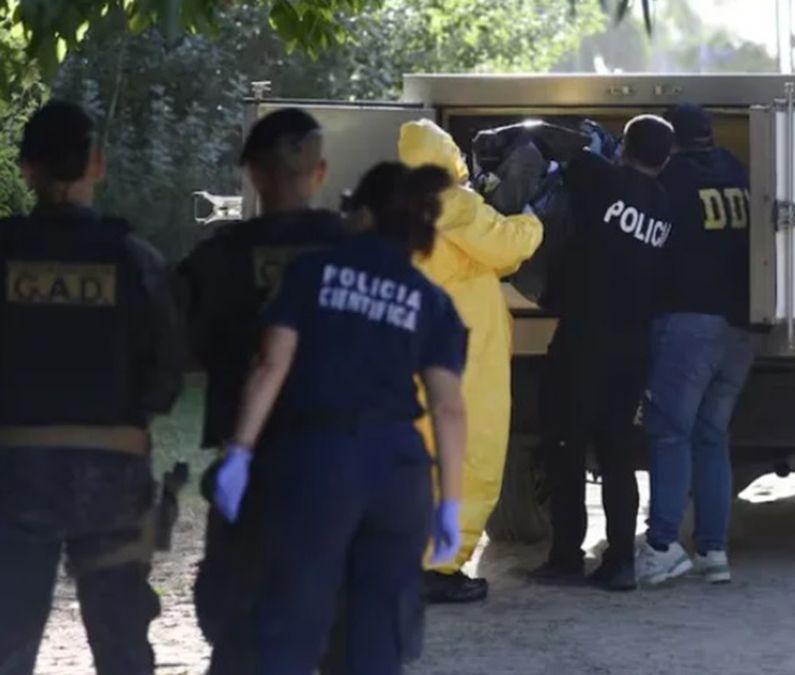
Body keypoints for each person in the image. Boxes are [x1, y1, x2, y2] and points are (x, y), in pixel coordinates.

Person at [210, 161, 468, 674]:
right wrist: (450, 504)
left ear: (364, 214)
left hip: (319, 459)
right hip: (399, 472)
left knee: (293, 619)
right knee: (380, 634)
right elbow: (448, 407)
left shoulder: (313, 273)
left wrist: (239, 452)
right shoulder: (432, 301)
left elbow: (271, 363)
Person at [0, 100, 184, 675]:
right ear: (96, 165)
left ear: (26, 168)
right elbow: (168, 375)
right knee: (122, 642)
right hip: (113, 474)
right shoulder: (135, 258)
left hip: (13, 472)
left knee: (6, 640)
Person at [178, 107, 348, 674]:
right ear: (319, 172)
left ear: (254, 174)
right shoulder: (361, 253)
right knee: (342, 623)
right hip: (343, 464)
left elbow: (178, 346)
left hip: (254, 467)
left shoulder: (219, 259)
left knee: (238, 623)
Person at [397, 119, 543, 604]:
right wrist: (535, 218)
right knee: (471, 454)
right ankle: (441, 567)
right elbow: (503, 248)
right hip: (464, 355)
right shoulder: (451, 202)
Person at [528, 115, 676, 591]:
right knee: (616, 452)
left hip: (584, 338)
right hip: (634, 346)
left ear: (625, 148)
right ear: (667, 158)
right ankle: (619, 562)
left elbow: (548, 140)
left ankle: (567, 555)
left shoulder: (601, 177)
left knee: (566, 445)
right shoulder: (665, 205)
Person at [636, 104, 758, 587]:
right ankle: (713, 551)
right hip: (744, 327)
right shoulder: (736, 171)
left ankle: (663, 545)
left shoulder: (673, 179)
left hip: (690, 322)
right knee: (712, 438)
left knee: (669, 433)